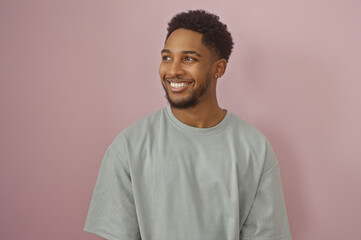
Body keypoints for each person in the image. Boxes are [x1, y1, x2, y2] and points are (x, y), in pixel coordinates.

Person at [84, 9, 292, 240]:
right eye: (167, 57)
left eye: (189, 58)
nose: (173, 70)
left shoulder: (255, 148)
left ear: (219, 68)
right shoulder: (129, 146)